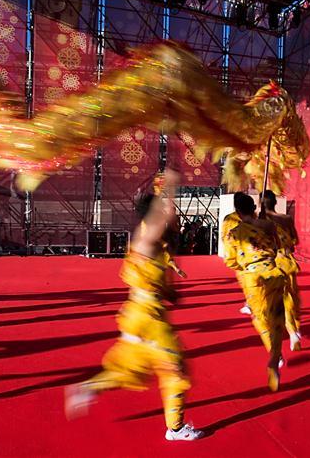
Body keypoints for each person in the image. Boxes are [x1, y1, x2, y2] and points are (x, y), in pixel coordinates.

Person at [65, 170, 204, 441]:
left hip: (138, 315)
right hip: (149, 319)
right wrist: (170, 186)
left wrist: (170, 292)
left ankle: (88, 387)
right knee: (175, 369)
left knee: (131, 368)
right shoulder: (146, 236)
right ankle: (175, 428)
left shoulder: (151, 242)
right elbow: (163, 218)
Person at [222, 192, 286, 392]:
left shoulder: (234, 232)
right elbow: (278, 247)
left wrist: (245, 264)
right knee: (277, 318)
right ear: (254, 208)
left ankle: (273, 352)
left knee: (259, 317)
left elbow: (230, 260)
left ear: (238, 212)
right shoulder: (268, 226)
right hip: (272, 272)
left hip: (251, 276)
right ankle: (275, 356)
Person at [260, 190, 302, 351]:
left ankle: (289, 332)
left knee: (274, 301)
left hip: (271, 264)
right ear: (275, 202)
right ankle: (294, 330)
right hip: (288, 262)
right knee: (290, 297)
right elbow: (295, 241)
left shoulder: (261, 221)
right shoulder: (286, 219)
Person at [221, 208, 251, 315]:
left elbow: (225, 237)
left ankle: (251, 303)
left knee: (247, 282)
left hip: (241, 257)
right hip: (257, 257)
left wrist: (231, 259)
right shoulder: (257, 220)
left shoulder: (230, 220)